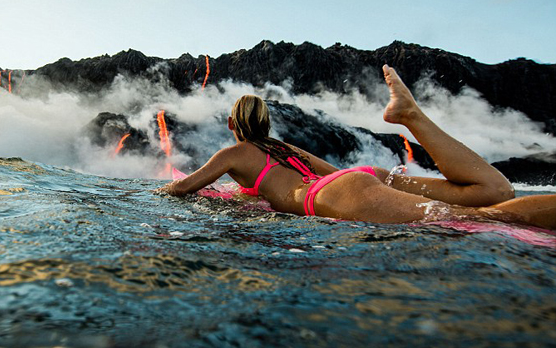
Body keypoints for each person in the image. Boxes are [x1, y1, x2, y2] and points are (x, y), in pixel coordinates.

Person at [158, 65, 556, 230]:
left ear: (233, 125)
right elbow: (331, 174)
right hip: (361, 179)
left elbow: (181, 188)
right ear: (266, 122)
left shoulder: (234, 154)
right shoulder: (285, 148)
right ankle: (411, 117)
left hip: (336, 197)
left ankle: (410, 115)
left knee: (482, 220)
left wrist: (160, 190)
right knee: (493, 195)